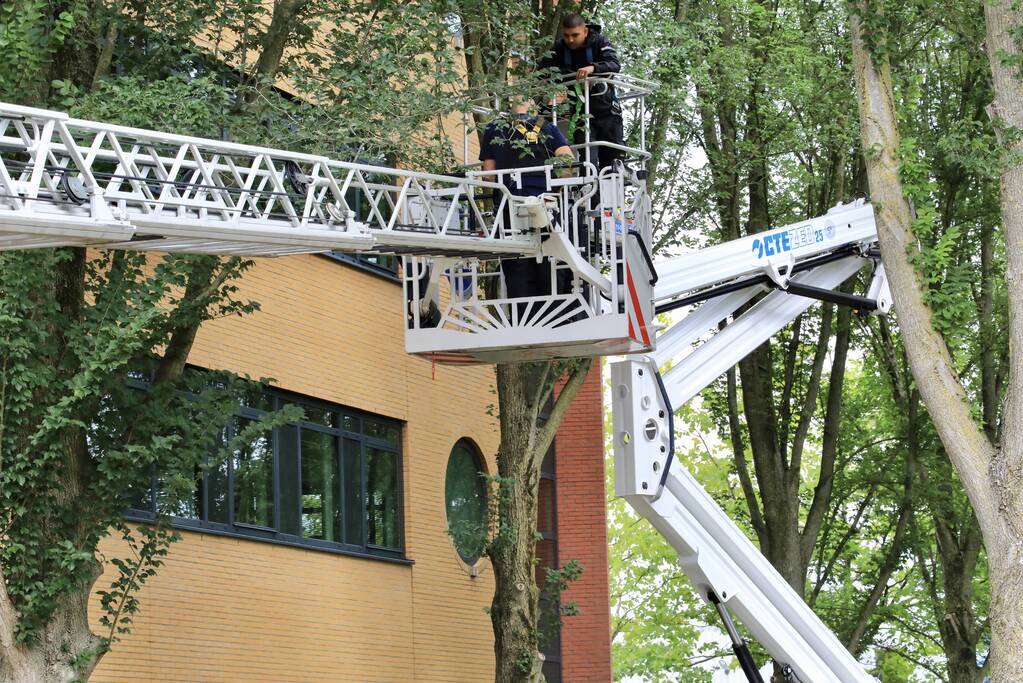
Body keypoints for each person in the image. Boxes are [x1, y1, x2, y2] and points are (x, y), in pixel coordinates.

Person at [480, 99, 573, 309]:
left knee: (516, 260)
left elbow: (488, 174)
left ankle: (522, 313)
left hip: (509, 205)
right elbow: (567, 161)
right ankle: (553, 312)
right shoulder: (547, 127)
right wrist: (555, 192)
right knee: (548, 255)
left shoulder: (495, 128)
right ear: (531, 105)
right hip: (543, 205)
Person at [538, 13, 624, 170]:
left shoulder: (599, 41)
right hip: (581, 115)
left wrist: (593, 69)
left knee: (612, 164)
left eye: (575, 35)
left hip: (607, 112)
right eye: (566, 35)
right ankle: (591, 192)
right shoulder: (560, 47)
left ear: (585, 31)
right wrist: (569, 76)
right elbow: (542, 71)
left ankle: (605, 191)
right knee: (588, 163)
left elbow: (614, 64)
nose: (570, 40)